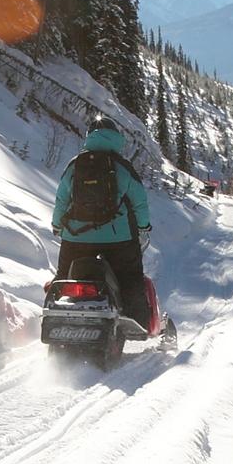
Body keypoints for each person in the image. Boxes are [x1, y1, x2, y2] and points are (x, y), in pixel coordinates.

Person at [52, 113, 155, 327]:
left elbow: (61, 199)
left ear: (89, 136)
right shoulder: (123, 167)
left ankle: (55, 313)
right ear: (116, 138)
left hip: (76, 237)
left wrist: (57, 225)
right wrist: (144, 226)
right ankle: (137, 321)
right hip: (118, 240)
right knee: (130, 278)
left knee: (64, 277)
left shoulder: (75, 165)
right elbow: (139, 203)